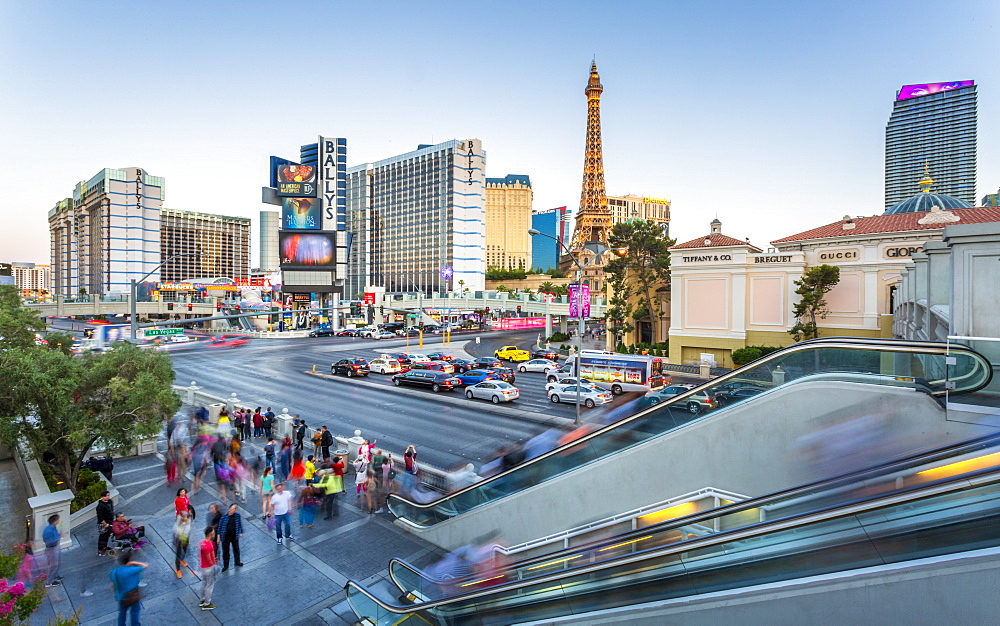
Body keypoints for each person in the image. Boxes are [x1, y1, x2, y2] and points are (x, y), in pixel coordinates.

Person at [110, 552, 147, 626]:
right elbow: (145, 565)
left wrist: (116, 593)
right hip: (133, 595)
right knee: (135, 611)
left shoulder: (115, 571)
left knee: (122, 613)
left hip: (121, 597)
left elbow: (112, 585)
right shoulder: (132, 570)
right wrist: (133, 562)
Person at [217, 503, 244, 571]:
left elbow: (240, 524)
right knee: (226, 551)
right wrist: (218, 536)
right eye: (231, 509)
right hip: (225, 537)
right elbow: (219, 527)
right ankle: (226, 565)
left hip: (234, 536)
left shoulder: (237, 515)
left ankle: (237, 561)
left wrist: (240, 532)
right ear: (229, 509)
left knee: (236, 549)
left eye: (234, 509)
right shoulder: (224, 517)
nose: (232, 510)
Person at [199, 527, 218, 611]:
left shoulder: (201, 543)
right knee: (209, 586)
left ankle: (202, 600)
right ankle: (207, 603)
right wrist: (214, 565)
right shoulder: (209, 545)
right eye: (213, 533)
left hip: (203, 567)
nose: (214, 535)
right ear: (210, 535)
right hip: (209, 568)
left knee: (204, 583)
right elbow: (209, 559)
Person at [43, 514, 63, 587]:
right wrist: (58, 537)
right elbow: (49, 541)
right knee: (53, 565)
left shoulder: (53, 528)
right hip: (51, 549)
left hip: (55, 547)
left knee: (57, 563)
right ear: (55, 521)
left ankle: (56, 576)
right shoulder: (48, 531)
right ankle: (49, 582)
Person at [173, 510, 192, 578]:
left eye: (186, 516)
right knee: (178, 554)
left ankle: (182, 559)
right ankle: (178, 570)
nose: (185, 517)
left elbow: (188, 529)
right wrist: (183, 523)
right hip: (178, 539)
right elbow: (176, 530)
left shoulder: (188, 520)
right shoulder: (179, 521)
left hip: (185, 538)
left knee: (184, 550)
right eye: (183, 516)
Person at [97, 490, 114, 555]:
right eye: (106, 496)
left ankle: (105, 547)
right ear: (102, 497)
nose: (107, 497)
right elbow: (100, 516)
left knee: (107, 535)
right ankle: (100, 549)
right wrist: (105, 524)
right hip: (103, 524)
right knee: (103, 536)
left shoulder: (110, 502)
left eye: (108, 495)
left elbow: (111, 511)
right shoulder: (100, 506)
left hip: (110, 522)